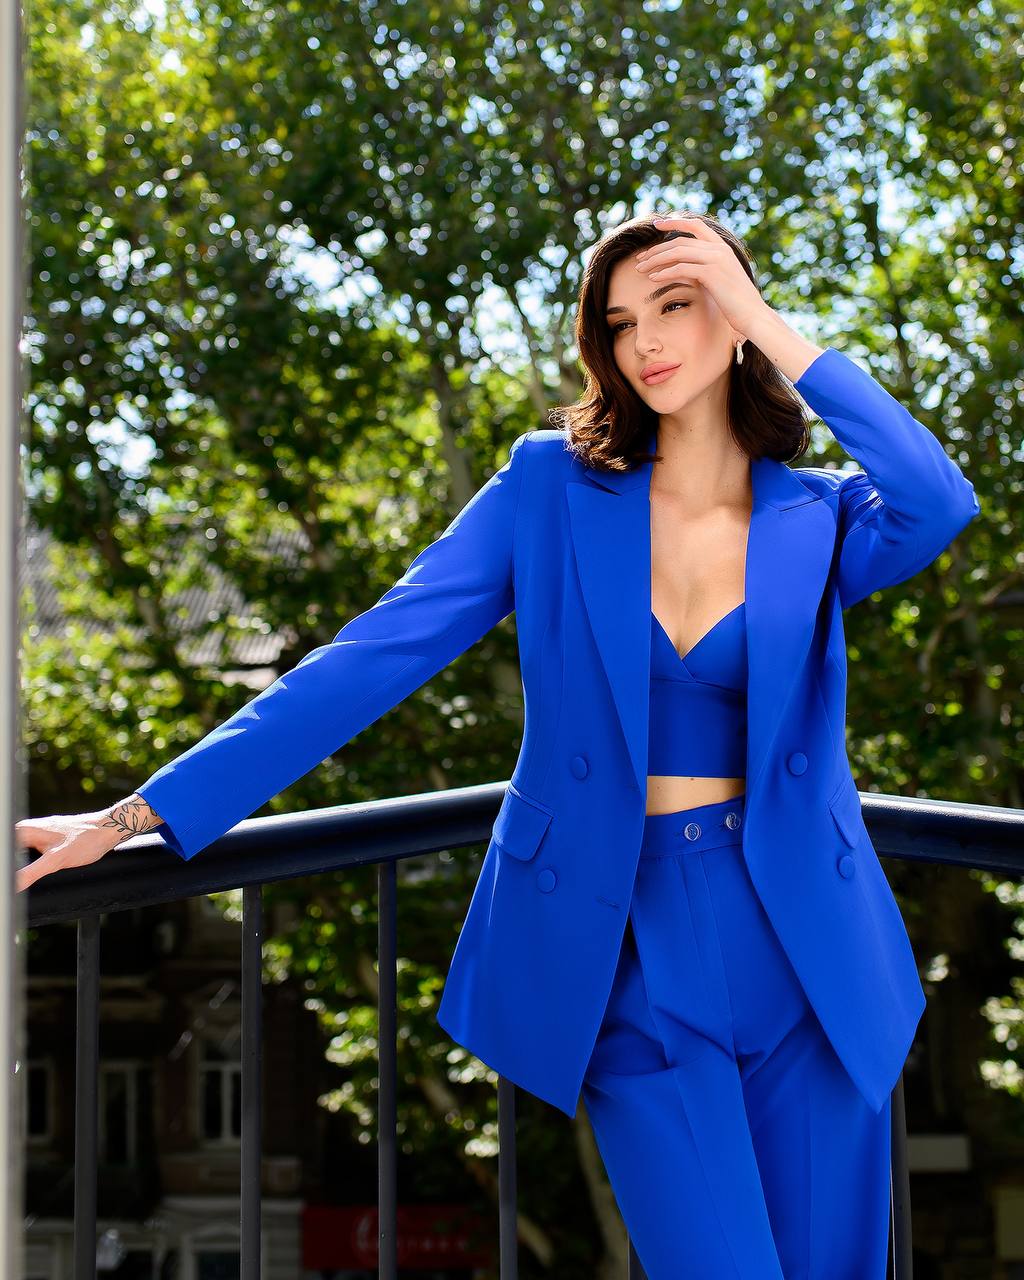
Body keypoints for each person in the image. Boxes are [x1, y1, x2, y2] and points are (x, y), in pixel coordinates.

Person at [15, 211, 980, 1278]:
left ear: (735, 317)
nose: (645, 341)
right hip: (624, 935)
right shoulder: (549, 489)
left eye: (677, 303)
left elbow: (939, 497)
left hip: (806, 943)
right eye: (619, 322)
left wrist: (764, 318)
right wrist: (137, 812)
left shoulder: (822, 513)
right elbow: (373, 654)